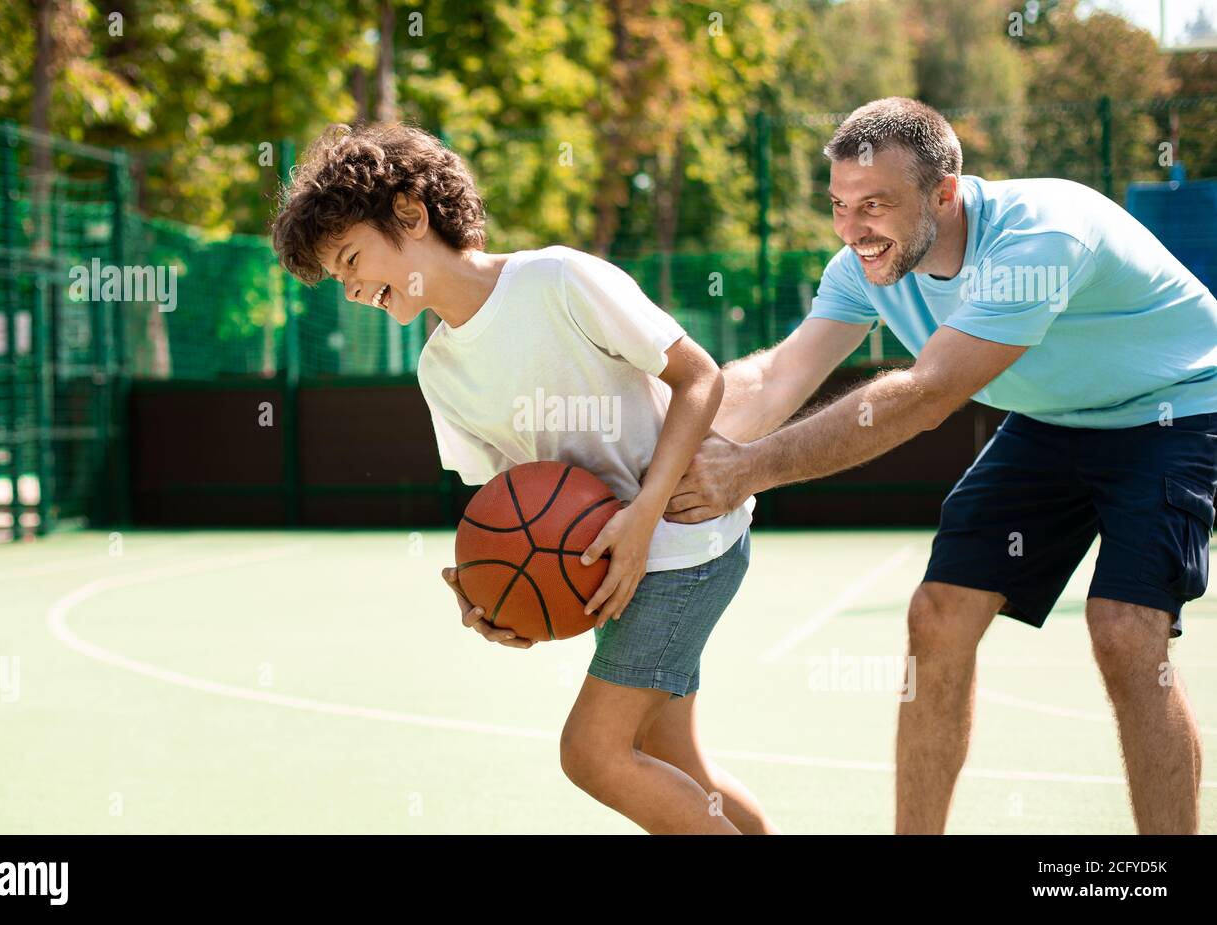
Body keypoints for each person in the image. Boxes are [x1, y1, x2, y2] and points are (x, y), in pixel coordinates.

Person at [665, 97, 1217, 834]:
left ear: (944, 193)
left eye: (875, 205)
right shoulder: (861, 267)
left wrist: (746, 469)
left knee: (1123, 628)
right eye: (838, 205)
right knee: (938, 613)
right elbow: (774, 380)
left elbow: (926, 395)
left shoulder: (1040, 236)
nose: (853, 229)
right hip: (1052, 419)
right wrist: (652, 451)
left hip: (1174, 408)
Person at [271, 122, 776, 835]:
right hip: (613, 566)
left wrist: (641, 521)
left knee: (593, 753)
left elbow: (700, 379)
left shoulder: (559, 280)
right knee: (676, 758)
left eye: (352, 260)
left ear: (412, 213)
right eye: (338, 281)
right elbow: (517, 505)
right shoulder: (439, 373)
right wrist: (492, 589)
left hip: (682, 543)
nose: (350, 289)